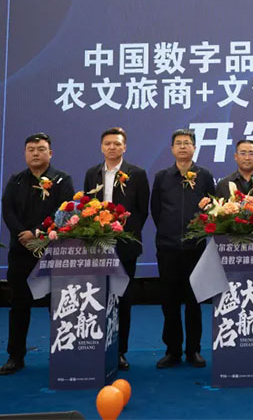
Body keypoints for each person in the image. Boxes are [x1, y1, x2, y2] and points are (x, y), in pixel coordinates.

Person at [0, 133, 74, 375]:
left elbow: (64, 211)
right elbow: (7, 210)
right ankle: (15, 355)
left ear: (50, 153)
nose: (35, 153)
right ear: (25, 153)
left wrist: (38, 232)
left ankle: (64, 354)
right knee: (19, 305)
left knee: (58, 306)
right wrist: (22, 233)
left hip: (52, 251)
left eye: (41, 149)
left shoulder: (62, 180)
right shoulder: (16, 181)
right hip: (21, 250)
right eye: (31, 149)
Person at [84, 127, 150, 370]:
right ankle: (97, 346)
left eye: (117, 143)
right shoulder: (92, 173)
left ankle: (120, 351)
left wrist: (124, 232)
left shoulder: (137, 174)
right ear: (101, 147)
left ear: (125, 147)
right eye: (108, 144)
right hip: (97, 246)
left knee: (123, 298)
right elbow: (87, 206)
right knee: (97, 298)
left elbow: (142, 210)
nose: (112, 147)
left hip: (125, 246)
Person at [151, 129, 215, 368]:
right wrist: (168, 232)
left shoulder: (204, 175)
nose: (182, 147)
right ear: (172, 149)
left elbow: (212, 208)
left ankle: (193, 350)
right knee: (169, 302)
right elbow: (156, 210)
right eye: (178, 143)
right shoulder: (162, 177)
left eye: (187, 143)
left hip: (195, 248)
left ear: (194, 147)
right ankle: (173, 350)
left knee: (193, 301)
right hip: (167, 247)